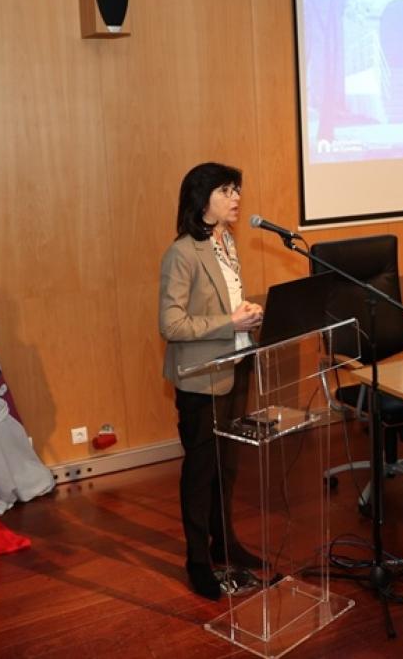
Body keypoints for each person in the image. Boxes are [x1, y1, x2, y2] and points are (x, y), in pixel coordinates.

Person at [159, 162, 264, 600]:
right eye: (226, 191)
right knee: (201, 472)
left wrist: (247, 315)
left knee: (227, 465)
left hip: (235, 365)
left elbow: (225, 302)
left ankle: (224, 542)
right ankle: (198, 560)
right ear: (203, 200)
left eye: (236, 189)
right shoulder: (182, 253)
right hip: (201, 378)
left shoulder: (227, 241)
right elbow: (171, 324)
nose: (236, 198)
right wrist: (229, 322)